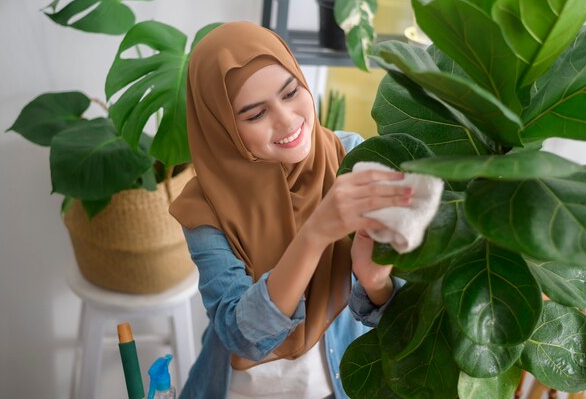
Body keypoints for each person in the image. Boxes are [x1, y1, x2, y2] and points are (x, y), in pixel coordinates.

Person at [169, 21, 411, 399]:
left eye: (290, 91)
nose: (285, 120)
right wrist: (315, 234)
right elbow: (239, 335)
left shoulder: (351, 157)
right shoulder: (204, 207)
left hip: (343, 383)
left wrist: (375, 283)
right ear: (222, 128)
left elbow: (404, 315)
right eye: (254, 114)